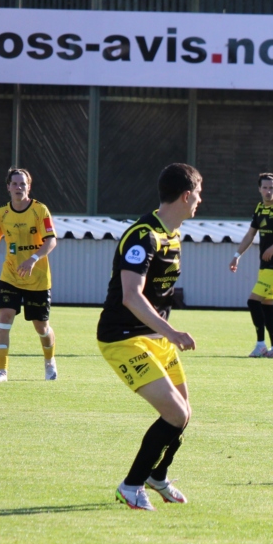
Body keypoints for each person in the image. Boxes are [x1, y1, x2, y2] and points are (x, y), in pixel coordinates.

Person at [97, 163, 201, 511]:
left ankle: (158, 476)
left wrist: (165, 334)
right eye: (198, 194)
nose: (200, 201)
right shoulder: (144, 235)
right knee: (174, 413)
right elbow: (131, 295)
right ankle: (131, 485)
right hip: (123, 337)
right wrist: (172, 332)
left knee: (183, 413)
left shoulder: (173, 234)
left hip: (155, 338)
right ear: (186, 195)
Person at [0, 169, 58, 383]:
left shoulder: (40, 210)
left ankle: (49, 361)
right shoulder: (2, 214)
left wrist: (33, 259)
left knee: (41, 326)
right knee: (5, 317)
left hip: (37, 279)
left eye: (23, 184)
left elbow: (51, 240)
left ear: (29, 187)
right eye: (15, 184)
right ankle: (2, 371)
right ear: (8, 187)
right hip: (11, 276)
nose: (19, 187)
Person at [229, 172, 273, 359]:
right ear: (259, 189)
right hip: (265, 266)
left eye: (271, 188)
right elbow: (250, 235)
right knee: (267, 306)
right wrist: (237, 256)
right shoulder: (260, 208)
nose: (268, 191)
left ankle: (261, 345)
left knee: (253, 302)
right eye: (265, 187)